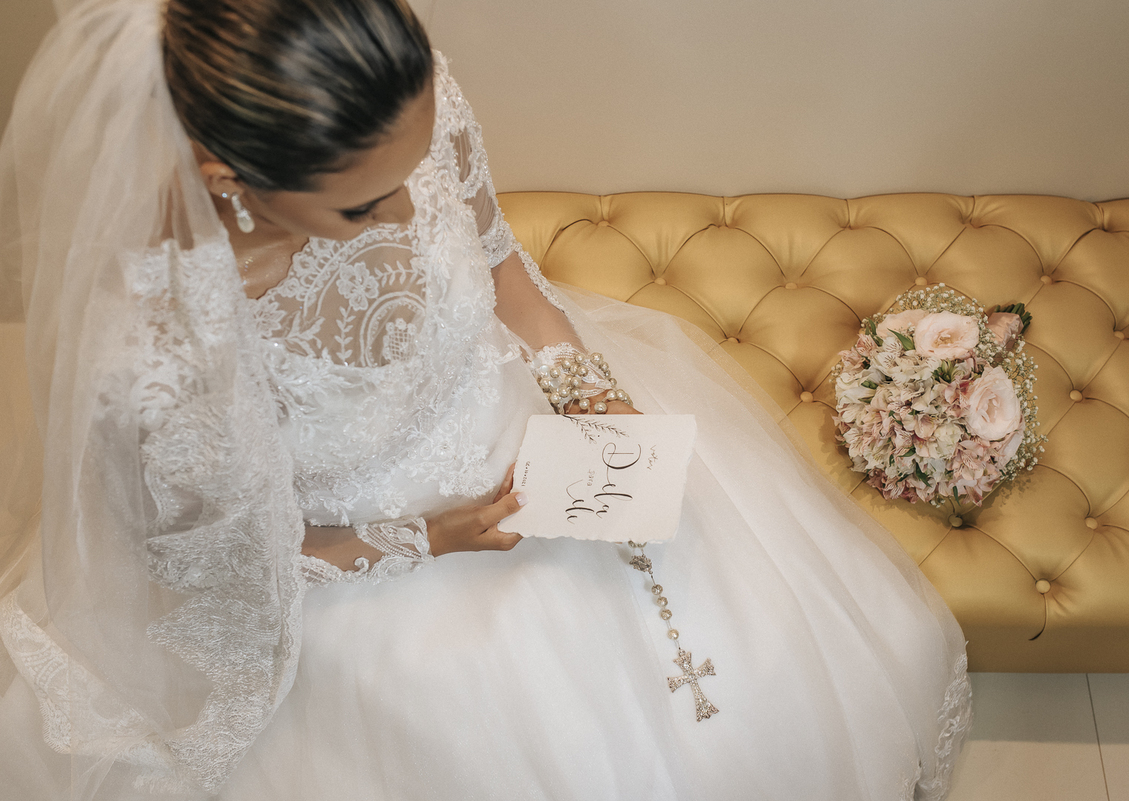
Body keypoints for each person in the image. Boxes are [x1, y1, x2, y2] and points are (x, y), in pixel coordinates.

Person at [0, 0, 971, 799]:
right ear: (231, 180)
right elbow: (218, 574)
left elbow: (500, 262)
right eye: (361, 206)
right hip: (362, 563)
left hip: (516, 420)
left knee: (773, 660)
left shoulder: (403, 106)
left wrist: (585, 392)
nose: (406, 211)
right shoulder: (154, 357)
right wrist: (426, 538)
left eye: (411, 171)